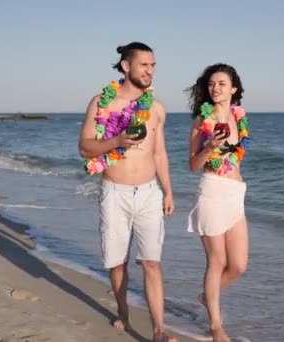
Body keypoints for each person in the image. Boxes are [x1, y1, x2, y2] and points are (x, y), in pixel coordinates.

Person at [78, 42, 177, 342]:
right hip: (114, 192)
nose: (150, 70)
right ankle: (123, 311)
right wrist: (118, 140)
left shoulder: (157, 108)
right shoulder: (101, 103)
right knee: (117, 262)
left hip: (149, 193)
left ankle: (159, 330)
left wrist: (168, 191)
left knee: (151, 261)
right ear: (126, 66)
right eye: (144, 64)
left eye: (153, 65)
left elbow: (159, 154)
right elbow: (85, 148)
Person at [186, 63, 250, 342]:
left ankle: (206, 297)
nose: (215, 88)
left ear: (233, 89)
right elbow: (192, 165)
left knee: (238, 266)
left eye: (222, 83)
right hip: (211, 191)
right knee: (217, 261)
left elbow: (235, 157)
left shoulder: (238, 117)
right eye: (212, 84)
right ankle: (215, 326)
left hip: (236, 194)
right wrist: (210, 146)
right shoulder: (202, 122)